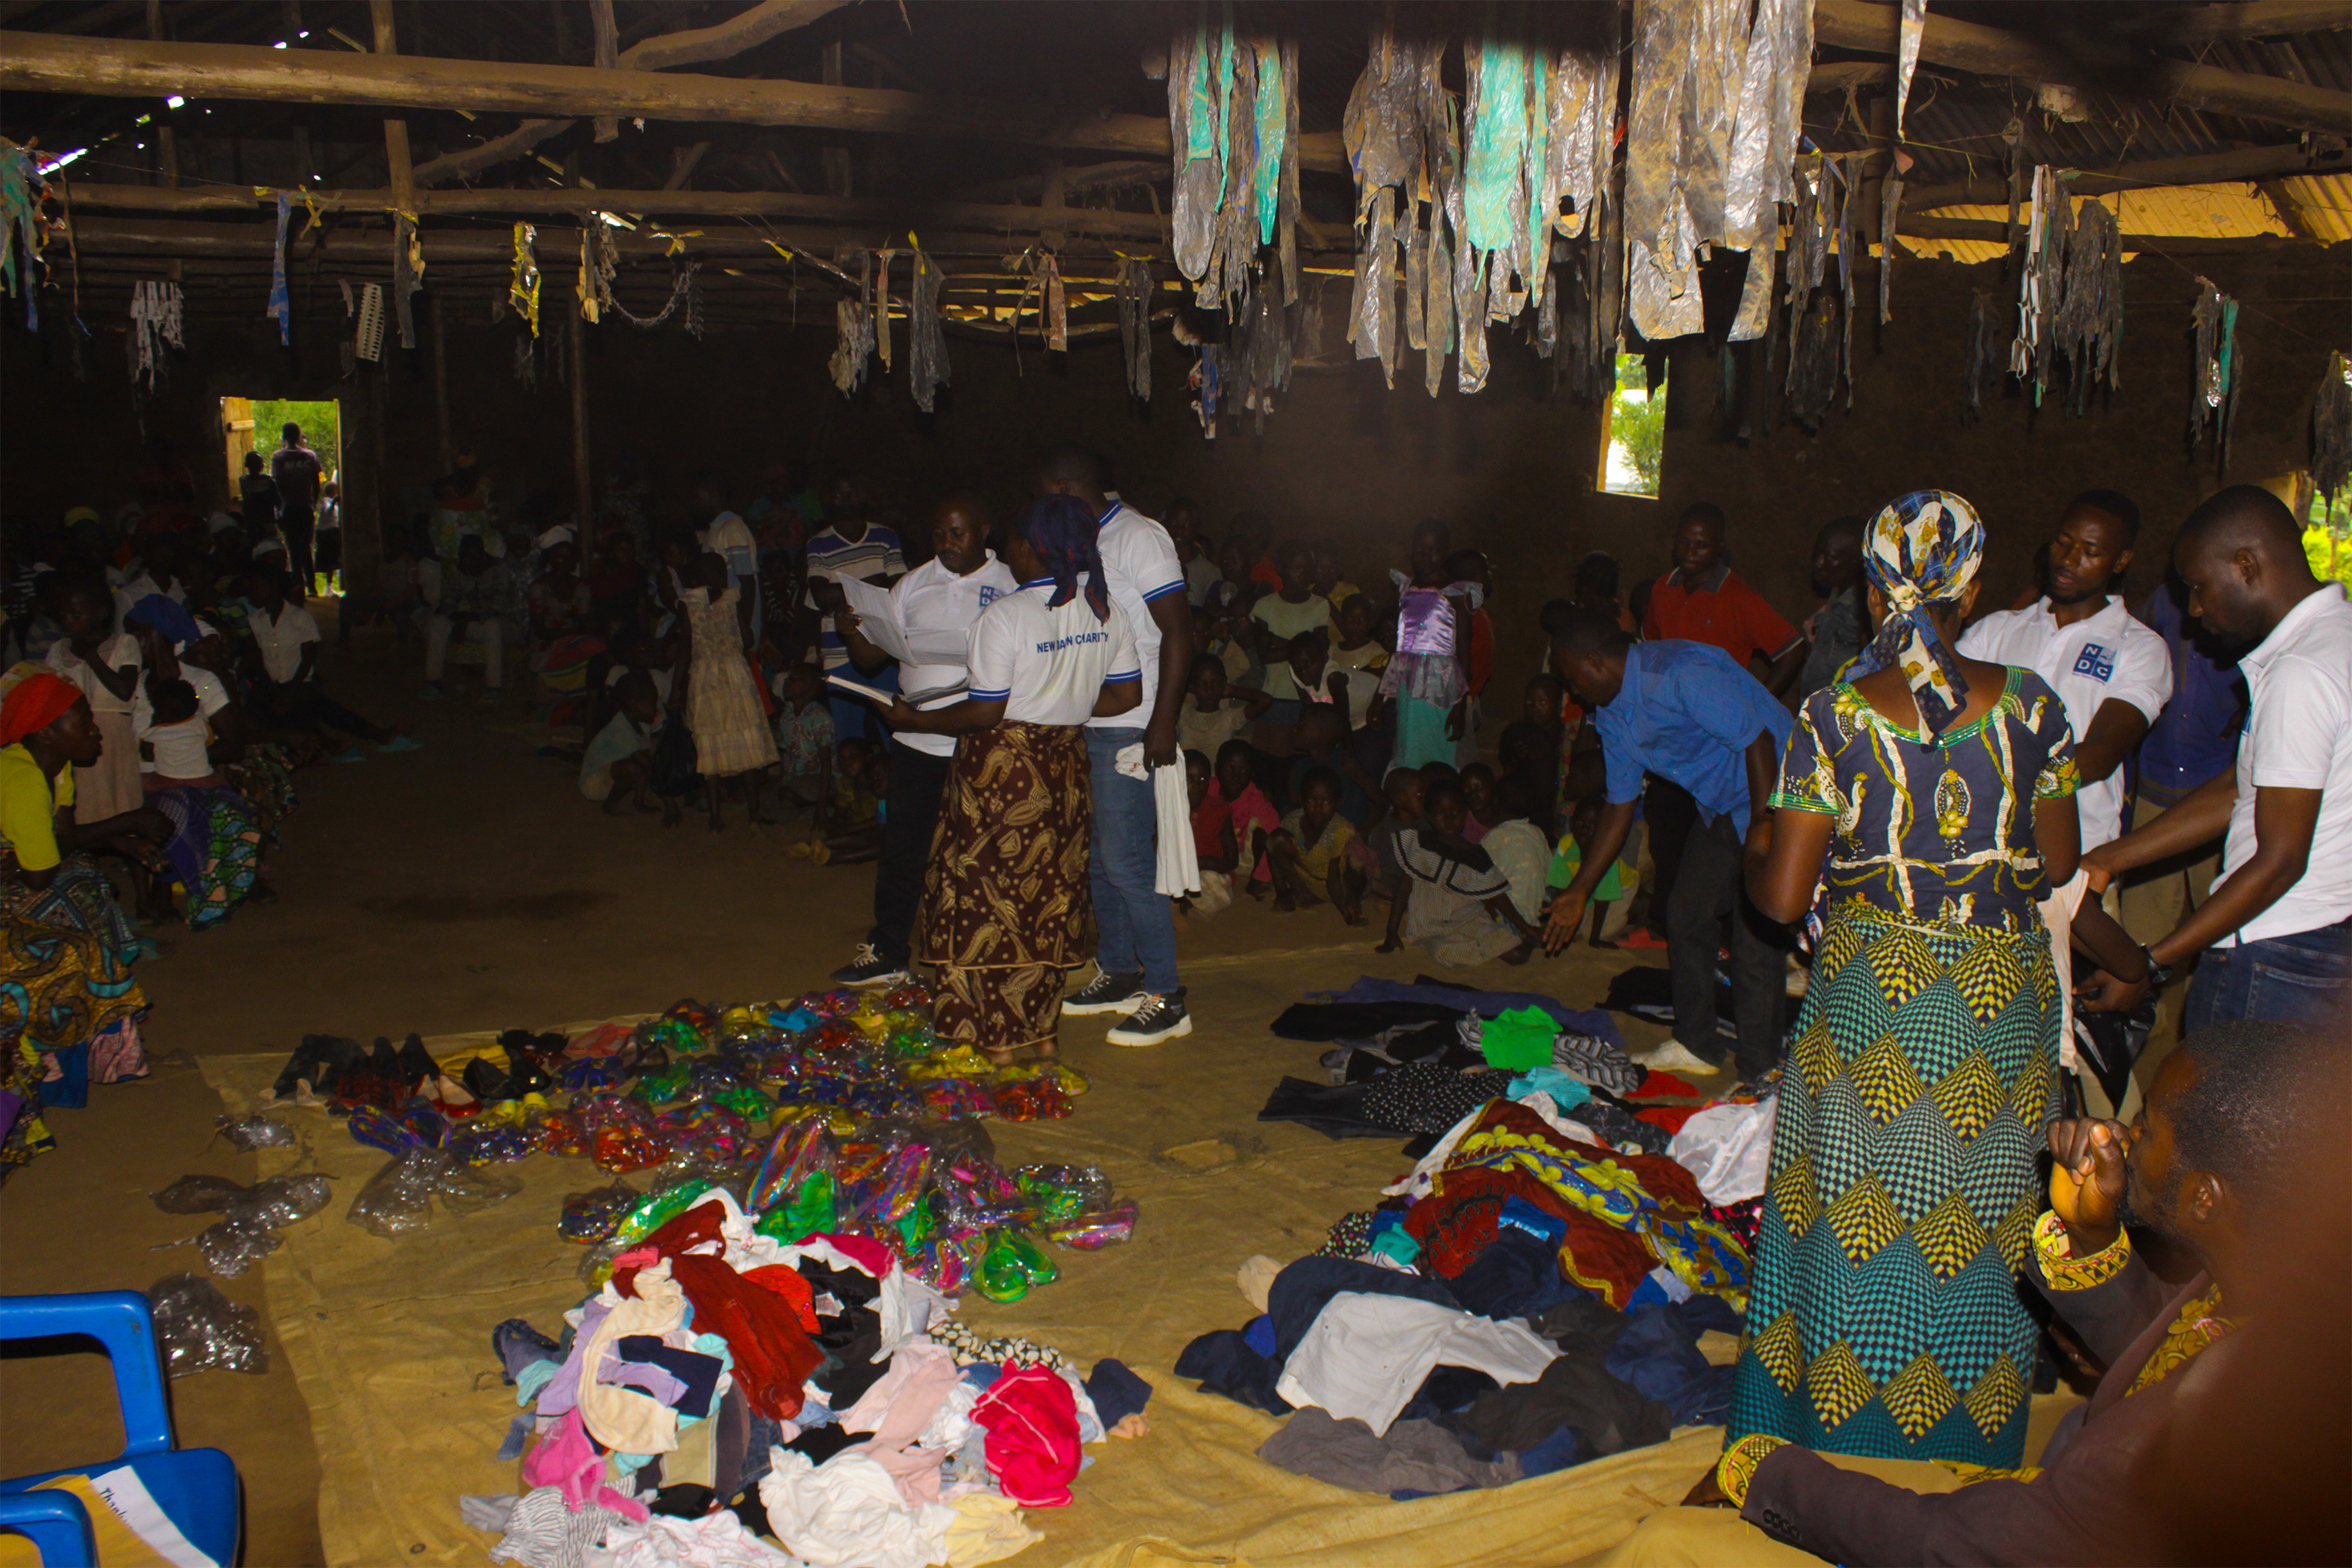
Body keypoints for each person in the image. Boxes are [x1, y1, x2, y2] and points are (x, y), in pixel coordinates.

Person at [1618, 1022, 2343, 1566]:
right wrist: (2088, 1237)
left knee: (1672, 1542)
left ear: (2206, 1200)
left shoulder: (2196, 1435)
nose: (2119, 1134)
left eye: (2147, 1129)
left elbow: (1952, 1543)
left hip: (2020, 1537)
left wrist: (1767, 1473)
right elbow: (2167, 1347)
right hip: (2057, 1515)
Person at [1726, 489, 2103, 1475]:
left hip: (1871, 1002)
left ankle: (1829, 1440)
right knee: (1980, 1216)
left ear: (1870, 584)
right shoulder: (2035, 707)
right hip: (1995, 1001)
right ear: (1973, 586)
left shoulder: (1833, 716)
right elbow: (2058, 863)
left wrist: (1758, 843)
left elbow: (1779, 900)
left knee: (1847, 1208)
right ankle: (1961, 1440)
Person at [2079, 485, 2352, 1031]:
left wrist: (2151, 963)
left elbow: (2279, 862)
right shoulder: (2337, 640)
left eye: (2199, 588)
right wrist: (2109, 858)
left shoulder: (2301, 673)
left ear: (2246, 565)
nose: (2196, 609)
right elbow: (2244, 787)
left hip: (2276, 954)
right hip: (2323, 943)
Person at [893, 493, 1140, 1063]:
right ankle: (1039, 1030)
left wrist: (915, 718)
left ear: (1031, 549)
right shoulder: (1107, 610)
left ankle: (995, 1038)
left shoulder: (1004, 616)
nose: (1006, 550)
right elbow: (1128, 693)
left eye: (1013, 541)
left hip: (1002, 775)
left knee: (985, 900)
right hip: (1065, 771)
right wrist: (1064, 702)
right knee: (1048, 896)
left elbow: (985, 712)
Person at [1544, 602, 1792, 1078]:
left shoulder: (1679, 674)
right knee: (1686, 915)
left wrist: (1763, 834)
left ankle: (1761, 1069)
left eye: (1573, 680)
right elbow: (1619, 806)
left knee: (1754, 938)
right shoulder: (1613, 713)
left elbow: (1757, 741)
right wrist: (1577, 890)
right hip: (1724, 804)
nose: (1574, 693)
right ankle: (1698, 1044)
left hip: (1778, 795)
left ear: (1596, 661)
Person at [1036, 447, 1195, 1047]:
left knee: (1128, 862)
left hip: (1135, 721)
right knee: (1103, 858)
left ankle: (1167, 994)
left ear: (1062, 485)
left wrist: (1163, 720)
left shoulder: (1137, 537)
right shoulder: (1081, 541)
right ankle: (1122, 969)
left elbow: (1179, 629)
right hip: (1097, 721)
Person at [830, 495, 1020, 986]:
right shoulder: (913, 582)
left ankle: (987, 953)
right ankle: (888, 950)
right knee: (903, 848)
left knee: (982, 853)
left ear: (984, 532)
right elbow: (872, 659)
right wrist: (851, 631)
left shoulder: (1010, 585)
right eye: (938, 534)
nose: (947, 544)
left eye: (958, 533)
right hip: (915, 740)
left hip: (980, 740)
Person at [0, 670, 161, 1178]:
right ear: (46, 731)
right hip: (21, 880)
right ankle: (61, 1062)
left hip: (22, 872)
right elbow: (41, 873)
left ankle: (99, 1046)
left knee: (88, 887)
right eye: (84, 722)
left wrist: (114, 841)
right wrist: (125, 824)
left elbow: (58, 845)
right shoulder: (22, 777)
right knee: (69, 941)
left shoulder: (56, 767)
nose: (96, 731)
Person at [1956, 489, 2172, 853]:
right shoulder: (1995, 630)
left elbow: (2101, 754)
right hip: (1978, 846)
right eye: (2063, 542)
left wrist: (1995, 775)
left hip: (2076, 852)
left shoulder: (2139, 646)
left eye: (2090, 552)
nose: (2069, 560)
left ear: (2121, 561)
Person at [2116, 571, 2246, 956]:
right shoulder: (2164, 601)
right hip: (2156, 791)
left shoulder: (2247, 613)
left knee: (2215, 940)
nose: (2196, 606)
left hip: (2220, 798)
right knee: (2141, 937)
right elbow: (2129, 646)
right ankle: (2149, 1016)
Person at [132, 669, 263, 930]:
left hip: (167, 785)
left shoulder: (151, 735)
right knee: (229, 812)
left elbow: (146, 756)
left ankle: (166, 885)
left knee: (164, 820)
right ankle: (226, 881)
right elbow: (212, 743)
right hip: (205, 784)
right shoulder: (201, 727)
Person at [241, 567, 412, 761]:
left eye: (253, 587)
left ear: (271, 587)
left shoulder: (298, 617)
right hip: (275, 682)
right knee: (282, 711)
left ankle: (340, 741)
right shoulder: (255, 620)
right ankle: (359, 737)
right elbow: (259, 658)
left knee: (311, 707)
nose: (249, 593)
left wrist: (290, 692)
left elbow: (308, 658)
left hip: (301, 680)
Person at [1642, 502, 1806, 695]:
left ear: (1719, 547)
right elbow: (1652, 643)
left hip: (1717, 713)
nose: (1690, 551)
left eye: (1702, 545)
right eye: (1683, 542)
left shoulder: (1739, 598)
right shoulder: (1664, 587)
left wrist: (1761, 707)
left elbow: (1793, 650)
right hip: (1670, 706)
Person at [1377, 776, 1540, 966]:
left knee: (1517, 956)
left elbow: (1498, 896)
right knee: (1447, 953)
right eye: (1440, 813)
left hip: (1472, 920)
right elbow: (1403, 890)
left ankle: (1526, 940)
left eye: (1456, 812)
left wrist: (1525, 927)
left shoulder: (1476, 855)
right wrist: (1391, 932)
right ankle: (1474, 949)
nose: (1449, 819)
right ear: (1428, 816)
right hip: (1433, 929)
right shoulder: (1421, 846)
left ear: (1466, 813)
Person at [677, 552, 778, 833]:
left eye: (722, 571)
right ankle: (730, 817)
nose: (721, 577)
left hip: (725, 677)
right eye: (715, 571)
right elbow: (686, 647)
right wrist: (676, 689)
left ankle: (738, 817)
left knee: (739, 745)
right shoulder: (693, 604)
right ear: (699, 577)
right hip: (717, 677)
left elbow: (744, 640)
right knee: (720, 745)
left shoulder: (723, 600)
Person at [1371, 521, 1479, 771]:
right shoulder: (1405, 589)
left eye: (1434, 550)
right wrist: (1380, 698)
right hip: (1408, 686)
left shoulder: (1457, 594)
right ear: (1411, 551)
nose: (1427, 557)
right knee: (1410, 754)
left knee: (1438, 755)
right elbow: (1399, 652)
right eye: (1420, 550)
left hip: (1442, 689)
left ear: (1446, 551)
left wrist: (1460, 706)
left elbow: (1464, 655)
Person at [43, 576, 144, 822]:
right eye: (63, 614)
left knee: (118, 798)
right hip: (74, 738)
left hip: (113, 739)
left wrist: (92, 656)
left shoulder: (123, 644)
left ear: (100, 614)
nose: (67, 620)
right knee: (84, 804)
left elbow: (123, 690)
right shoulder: (58, 650)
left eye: (75, 615)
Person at [804, 498, 906, 742]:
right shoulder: (817, 543)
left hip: (883, 647)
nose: (845, 500)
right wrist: (878, 582)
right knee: (849, 738)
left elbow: (902, 588)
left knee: (898, 732)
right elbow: (820, 596)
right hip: (838, 652)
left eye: (851, 493)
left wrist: (841, 592)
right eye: (838, 494)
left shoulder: (885, 536)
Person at [1250, 542, 1335, 739]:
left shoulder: (1320, 605)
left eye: (1308, 569)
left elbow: (1319, 653)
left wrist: (1278, 642)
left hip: (1308, 698)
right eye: (1297, 568)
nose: (1303, 574)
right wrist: (1303, 650)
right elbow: (1265, 655)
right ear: (1280, 568)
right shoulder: (1265, 605)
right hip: (1273, 696)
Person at [527, 527, 604, 727]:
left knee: (595, 647)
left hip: (569, 643)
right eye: (560, 556)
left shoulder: (580, 587)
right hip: (545, 647)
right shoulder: (539, 587)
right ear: (550, 558)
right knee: (591, 647)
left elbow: (586, 620)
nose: (565, 560)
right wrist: (578, 633)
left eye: (569, 556)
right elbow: (540, 631)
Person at [1263, 768, 1365, 921]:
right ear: (1301, 800)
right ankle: (1301, 894)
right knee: (1276, 839)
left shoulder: (1340, 830)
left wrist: (1345, 913)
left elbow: (1334, 879)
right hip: (1307, 878)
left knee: (1356, 858)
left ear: (1338, 803)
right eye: (1311, 801)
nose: (1318, 807)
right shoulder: (1294, 821)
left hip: (1337, 885)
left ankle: (1352, 903)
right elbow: (1273, 851)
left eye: (1326, 801)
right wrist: (1282, 892)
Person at [423, 534, 514, 702]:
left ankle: (494, 687)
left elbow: (499, 605)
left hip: (506, 624)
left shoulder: (498, 569)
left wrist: (465, 620)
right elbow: (450, 598)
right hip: (478, 623)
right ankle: (434, 684)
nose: (470, 562)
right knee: (438, 623)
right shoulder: (459, 569)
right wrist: (451, 615)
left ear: (483, 554)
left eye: (475, 557)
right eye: (466, 558)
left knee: (492, 625)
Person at [1791, 514, 1867, 698]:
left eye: (1830, 557)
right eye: (1818, 554)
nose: (1819, 562)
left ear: (1857, 562)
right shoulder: (1837, 598)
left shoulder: (1861, 614)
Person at [581, 670, 660, 816]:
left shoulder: (640, 724)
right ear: (634, 704)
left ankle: (639, 804)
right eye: (651, 703)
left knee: (643, 759)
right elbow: (648, 766)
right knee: (637, 766)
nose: (655, 708)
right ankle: (610, 805)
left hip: (608, 774)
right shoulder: (621, 729)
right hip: (593, 783)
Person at [1210, 737, 1280, 897]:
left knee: (1263, 828)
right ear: (1217, 768)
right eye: (1229, 769)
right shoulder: (1207, 790)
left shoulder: (1254, 799)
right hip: (1212, 855)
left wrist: (1261, 876)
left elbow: (1275, 835)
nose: (1236, 776)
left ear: (1252, 773)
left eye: (1243, 770)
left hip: (1244, 860)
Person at [1176, 652, 1271, 762]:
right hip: (1186, 778)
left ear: (1224, 683)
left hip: (1216, 779)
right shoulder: (1182, 713)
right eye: (1202, 684)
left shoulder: (1229, 717)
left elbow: (1266, 700)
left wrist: (1233, 691)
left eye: (1215, 683)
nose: (1209, 690)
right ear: (1192, 686)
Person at [773, 660, 836, 822]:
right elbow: (785, 754)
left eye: (793, 678)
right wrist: (782, 781)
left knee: (785, 797)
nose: (786, 681)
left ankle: (824, 804)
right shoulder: (787, 716)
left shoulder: (820, 718)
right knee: (771, 802)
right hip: (796, 778)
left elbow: (826, 764)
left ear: (810, 686)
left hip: (818, 777)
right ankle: (808, 806)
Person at [1181, 749, 1239, 920]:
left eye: (1203, 779)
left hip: (1210, 874)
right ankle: (1181, 903)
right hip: (1177, 875)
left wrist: (1190, 863)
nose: (1197, 785)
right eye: (1189, 778)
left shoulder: (1218, 810)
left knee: (1214, 887)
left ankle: (1181, 904)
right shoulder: (1167, 808)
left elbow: (1232, 860)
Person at [270, 423, 324, 597]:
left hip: (288, 508)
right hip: (305, 508)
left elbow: (276, 484)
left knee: (292, 547)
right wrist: (313, 504)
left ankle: (298, 584)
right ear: (300, 436)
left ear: (283, 437)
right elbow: (317, 483)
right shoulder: (310, 456)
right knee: (306, 547)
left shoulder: (278, 457)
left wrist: (279, 510)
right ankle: (312, 586)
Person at [238, 451, 281, 542]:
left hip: (265, 522)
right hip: (254, 523)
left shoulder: (245, 481)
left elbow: (278, 502)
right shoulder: (268, 481)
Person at [313, 481, 342, 597]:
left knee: (335, 559)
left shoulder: (338, 505)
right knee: (329, 559)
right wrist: (334, 502)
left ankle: (329, 585)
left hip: (333, 531)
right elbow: (328, 512)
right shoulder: (326, 502)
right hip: (327, 533)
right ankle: (327, 586)